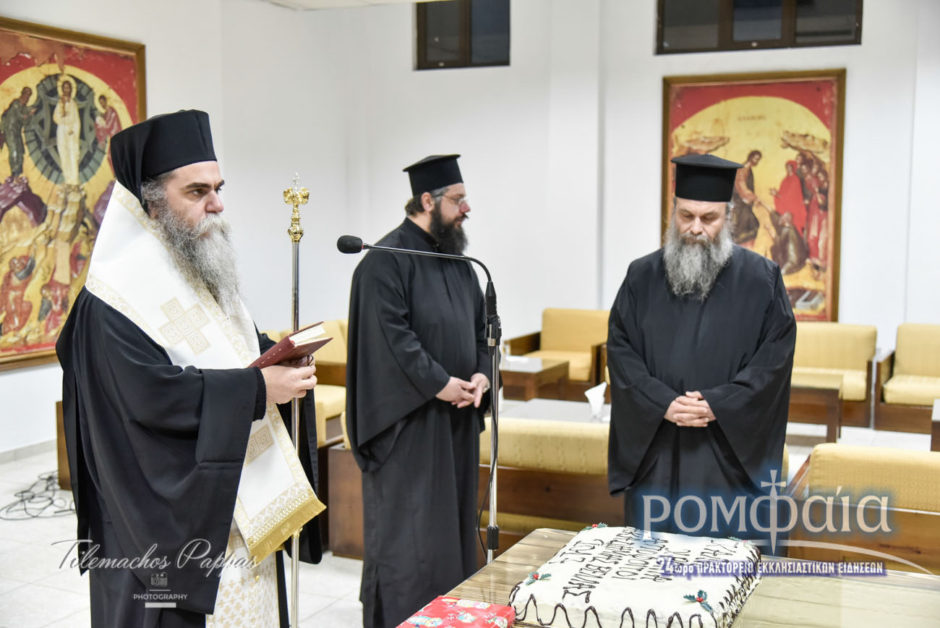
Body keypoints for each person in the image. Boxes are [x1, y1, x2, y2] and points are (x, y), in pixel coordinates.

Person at [56, 110, 322, 627]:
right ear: (151, 200)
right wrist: (256, 390)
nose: (217, 205)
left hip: (240, 520)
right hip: (164, 534)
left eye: (218, 189)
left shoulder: (196, 264)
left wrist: (278, 354)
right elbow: (148, 400)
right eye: (197, 192)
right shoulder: (111, 300)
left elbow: (231, 349)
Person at [607, 153, 795, 541]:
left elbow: (774, 361)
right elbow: (621, 351)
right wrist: (662, 401)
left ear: (728, 216)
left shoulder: (762, 279)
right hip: (658, 447)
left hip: (726, 451)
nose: (695, 228)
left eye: (708, 218)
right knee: (651, 563)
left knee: (722, 562)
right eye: (686, 216)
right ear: (673, 212)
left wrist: (719, 403)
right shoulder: (641, 276)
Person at [345, 154, 492, 628]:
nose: (466, 208)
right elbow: (392, 342)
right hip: (408, 429)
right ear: (427, 200)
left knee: (453, 538)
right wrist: (440, 384)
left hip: (457, 423)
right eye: (458, 199)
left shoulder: (460, 264)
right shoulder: (384, 262)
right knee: (411, 545)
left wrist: (482, 376)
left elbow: (483, 333)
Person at [729, 149, 767, 246]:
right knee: (750, 225)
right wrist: (754, 198)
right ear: (750, 157)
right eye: (755, 159)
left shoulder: (748, 169)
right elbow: (741, 187)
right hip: (740, 202)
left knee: (752, 225)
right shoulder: (743, 169)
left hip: (744, 203)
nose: (756, 161)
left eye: (758, 159)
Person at [1, 86, 35, 178]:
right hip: (9, 131)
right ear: (22, 94)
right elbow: (20, 116)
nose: (27, 98)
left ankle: (17, 174)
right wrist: (29, 114)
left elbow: (25, 122)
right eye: (26, 95)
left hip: (17, 132)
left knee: (20, 152)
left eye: (28, 96)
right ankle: (14, 173)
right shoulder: (16, 104)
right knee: (14, 151)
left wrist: (30, 115)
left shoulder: (24, 108)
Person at [53, 77, 81, 186]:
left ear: (71, 90)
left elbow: (76, 120)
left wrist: (73, 130)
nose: (66, 90)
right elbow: (55, 117)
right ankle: (67, 179)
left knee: (72, 155)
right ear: (62, 89)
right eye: (64, 88)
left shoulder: (73, 104)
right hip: (61, 131)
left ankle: (74, 180)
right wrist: (62, 115)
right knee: (63, 154)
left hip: (71, 132)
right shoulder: (60, 103)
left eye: (68, 88)